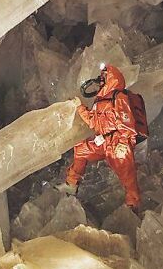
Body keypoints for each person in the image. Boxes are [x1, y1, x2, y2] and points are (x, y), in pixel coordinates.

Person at [58, 64, 142, 212]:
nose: (100, 81)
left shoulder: (119, 97)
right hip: (103, 141)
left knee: (127, 175)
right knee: (81, 149)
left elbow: (127, 120)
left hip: (118, 143)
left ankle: (133, 203)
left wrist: (124, 141)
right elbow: (93, 121)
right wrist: (80, 107)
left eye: (103, 77)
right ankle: (71, 184)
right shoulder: (100, 101)